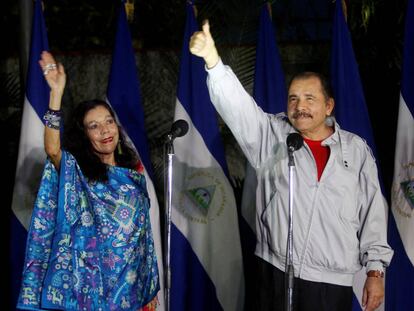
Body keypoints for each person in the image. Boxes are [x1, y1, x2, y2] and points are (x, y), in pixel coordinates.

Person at [189, 21, 393, 311]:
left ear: (329, 106)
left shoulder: (356, 150)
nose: (300, 106)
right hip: (275, 271)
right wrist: (213, 62)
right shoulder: (271, 135)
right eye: (293, 98)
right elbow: (237, 108)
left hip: (331, 281)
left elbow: (373, 213)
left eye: (310, 98)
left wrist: (375, 271)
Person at [17, 51, 159, 311]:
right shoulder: (77, 175)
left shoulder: (134, 176)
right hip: (89, 293)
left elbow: (142, 241)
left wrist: (147, 287)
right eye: (94, 126)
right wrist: (56, 94)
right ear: (84, 136)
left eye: (108, 122)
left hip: (132, 293)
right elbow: (52, 150)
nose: (105, 130)